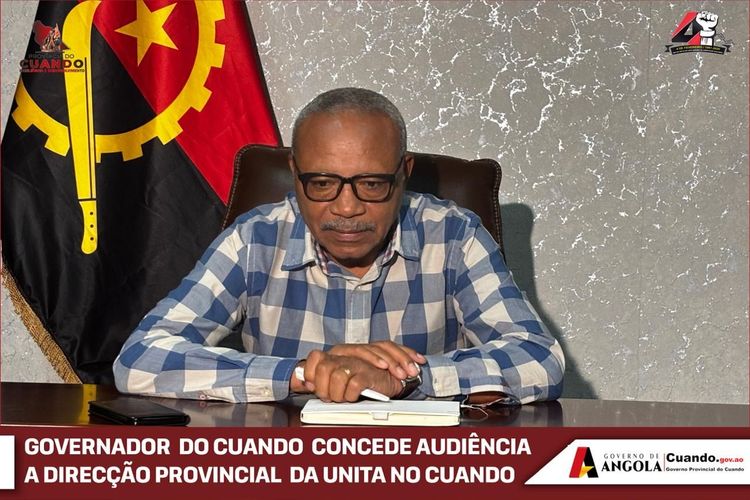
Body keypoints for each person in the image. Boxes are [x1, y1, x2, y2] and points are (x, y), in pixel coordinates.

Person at [113, 87, 564, 405]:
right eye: (322, 183)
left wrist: (406, 378)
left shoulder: (454, 235)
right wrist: (303, 374)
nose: (346, 208)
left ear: (404, 172)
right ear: (295, 173)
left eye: (372, 183)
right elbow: (140, 358)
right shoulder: (254, 239)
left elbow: (539, 358)